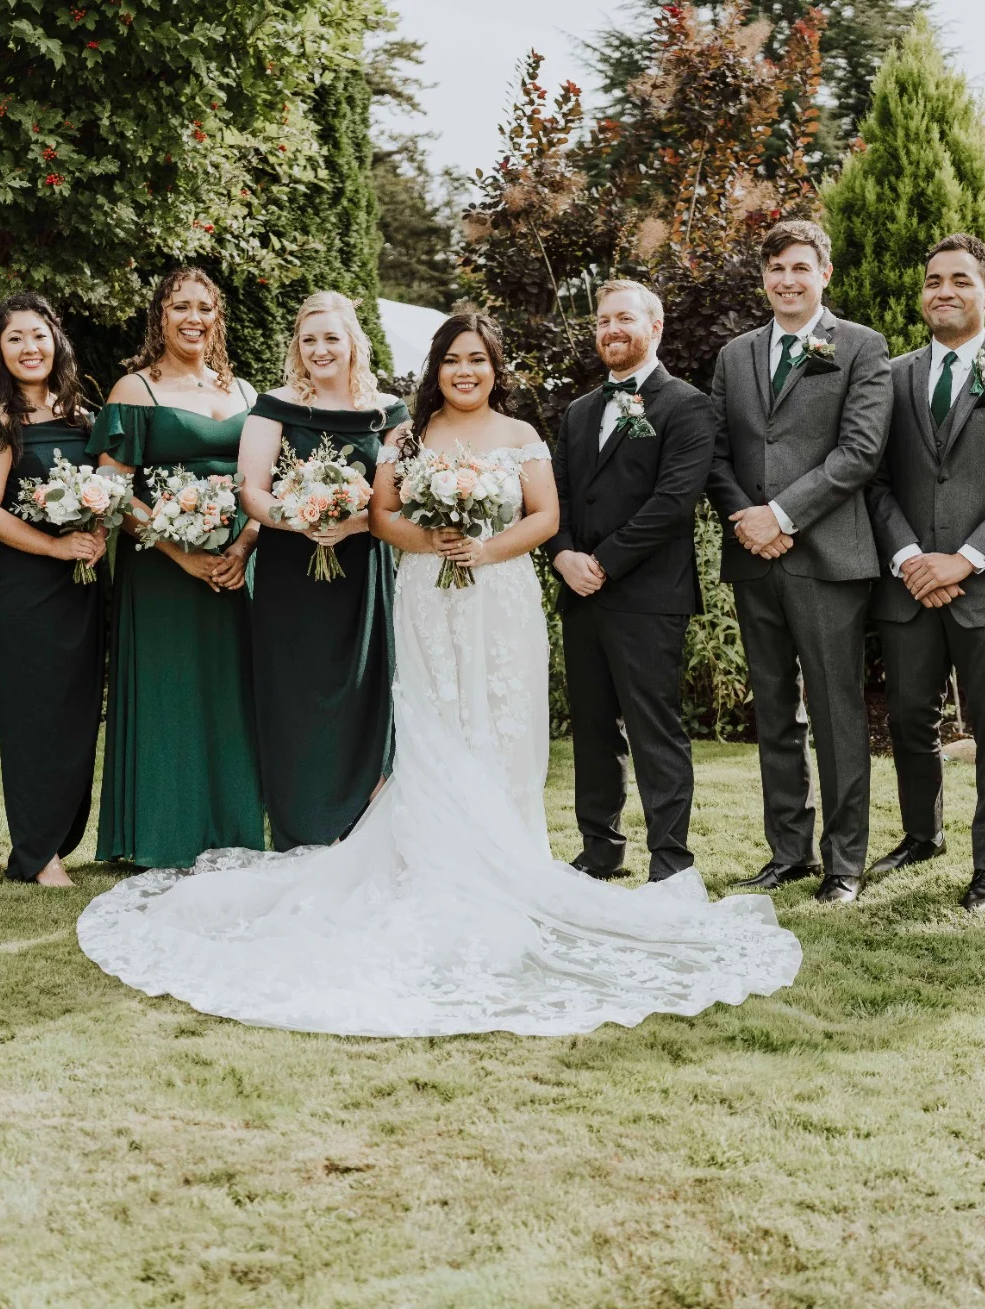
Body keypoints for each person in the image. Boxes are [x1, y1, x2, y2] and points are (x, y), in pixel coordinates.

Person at [71, 311, 801, 1037]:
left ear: (494, 368)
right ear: (436, 369)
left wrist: (487, 549)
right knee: (434, 718)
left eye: (477, 360)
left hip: (499, 596)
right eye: (452, 359)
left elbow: (546, 516)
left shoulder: (521, 437)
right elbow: (383, 517)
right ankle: (426, 860)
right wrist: (435, 537)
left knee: (499, 718)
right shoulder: (407, 438)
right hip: (426, 593)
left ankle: (510, 854)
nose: (465, 371)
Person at [865, 233, 985, 911]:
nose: (943, 291)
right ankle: (922, 834)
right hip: (909, 583)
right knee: (909, 716)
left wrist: (966, 558)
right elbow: (876, 479)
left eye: (959, 281)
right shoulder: (890, 377)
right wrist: (909, 558)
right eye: (933, 281)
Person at [706, 218, 893, 905]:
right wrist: (748, 522)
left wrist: (782, 516)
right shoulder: (735, 355)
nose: (787, 280)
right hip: (753, 557)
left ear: (824, 275)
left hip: (824, 555)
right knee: (775, 710)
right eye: (775, 268)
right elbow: (717, 449)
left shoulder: (863, 348)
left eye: (799, 268)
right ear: (764, 278)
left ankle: (845, 861)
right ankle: (789, 851)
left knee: (839, 712)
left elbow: (860, 451)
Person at [89, 267, 264, 868]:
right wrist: (181, 553)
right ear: (159, 316)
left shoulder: (244, 394)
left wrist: (241, 549)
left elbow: (264, 485)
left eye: (205, 308)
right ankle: (158, 832)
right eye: (180, 306)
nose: (194, 318)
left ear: (218, 318)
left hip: (237, 567)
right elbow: (113, 490)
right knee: (168, 690)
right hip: (162, 570)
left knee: (232, 694)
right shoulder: (135, 390)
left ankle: (234, 828)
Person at [548, 280, 716, 884]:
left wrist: (604, 562)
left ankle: (670, 861)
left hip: (646, 596)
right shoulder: (578, 412)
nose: (611, 330)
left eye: (624, 318)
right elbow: (557, 497)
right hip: (581, 592)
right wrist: (564, 556)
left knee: (654, 730)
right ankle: (600, 849)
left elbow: (673, 503)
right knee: (593, 729)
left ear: (654, 328)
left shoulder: (687, 405)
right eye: (602, 321)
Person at [238, 292, 404, 850]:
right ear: (297, 347)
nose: (320, 349)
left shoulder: (390, 412)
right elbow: (251, 491)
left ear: (353, 341)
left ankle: (361, 829)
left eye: (331, 337)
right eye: (309, 340)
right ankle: (299, 827)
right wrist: (296, 518)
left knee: (364, 691)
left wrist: (354, 523)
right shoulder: (273, 407)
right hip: (291, 576)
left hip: (363, 574)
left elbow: (396, 501)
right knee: (294, 695)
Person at [0, 293, 105, 886]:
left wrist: (95, 529)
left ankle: (62, 839)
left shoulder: (85, 417)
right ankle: (36, 853)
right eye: (16, 338)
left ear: (57, 343)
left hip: (83, 587)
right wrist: (53, 546)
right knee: (32, 722)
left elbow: (109, 488)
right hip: (23, 591)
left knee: (76, 716)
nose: (30, 348)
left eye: (39, 336)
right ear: (0, 350)